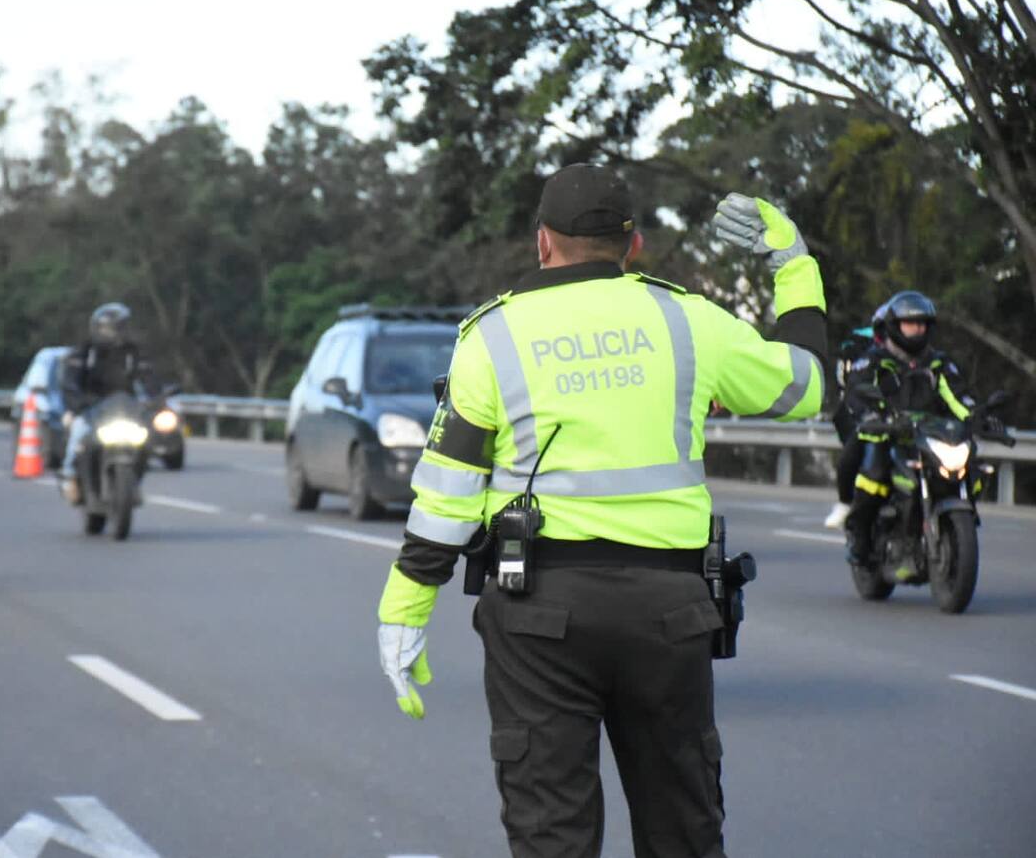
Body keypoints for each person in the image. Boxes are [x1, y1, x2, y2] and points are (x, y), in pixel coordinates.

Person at [375, 165, 828, 858]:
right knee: (684, 833)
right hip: (670, 615)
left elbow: (449, 493)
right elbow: (805, 386)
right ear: (633, 245)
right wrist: (793, 266)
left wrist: (406, 607)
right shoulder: (688, 320)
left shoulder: (491, 337)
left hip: (539, 616)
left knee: (553, 836)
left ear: (542, 244)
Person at [841, 290, 991, 566]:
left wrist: (977, 415)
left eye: (921, 323)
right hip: (889, 433)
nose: (916, 328)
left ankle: (955, 524)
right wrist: (871, 413)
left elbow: (957, 395)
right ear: (895, 326)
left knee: (972, 467)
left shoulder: (938, 363)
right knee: (873, 472)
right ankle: (859, 534)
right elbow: (857, 392)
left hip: (931, 434)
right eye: (910, 323)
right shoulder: (875, 360)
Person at [58, 302, 151, 502]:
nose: (112, 333)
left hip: (125, 409)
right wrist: (77, 403)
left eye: (117, 327)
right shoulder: (84, 351)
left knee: (146, 439)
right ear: (97, 328)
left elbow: (148, 378)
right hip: (91, 407)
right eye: (107, 328)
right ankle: (70, 478)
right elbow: (70, 380)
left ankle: (134, 481)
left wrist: (155, 399)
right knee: (78, 434)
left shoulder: (133, 352)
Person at [822, 303, 886, 528]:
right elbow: (852, 387)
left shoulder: (929, 357)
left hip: (911, 420)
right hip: (872, 416)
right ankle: (846, 502)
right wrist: (865, 411)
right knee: (853, 451)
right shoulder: (866, 352)